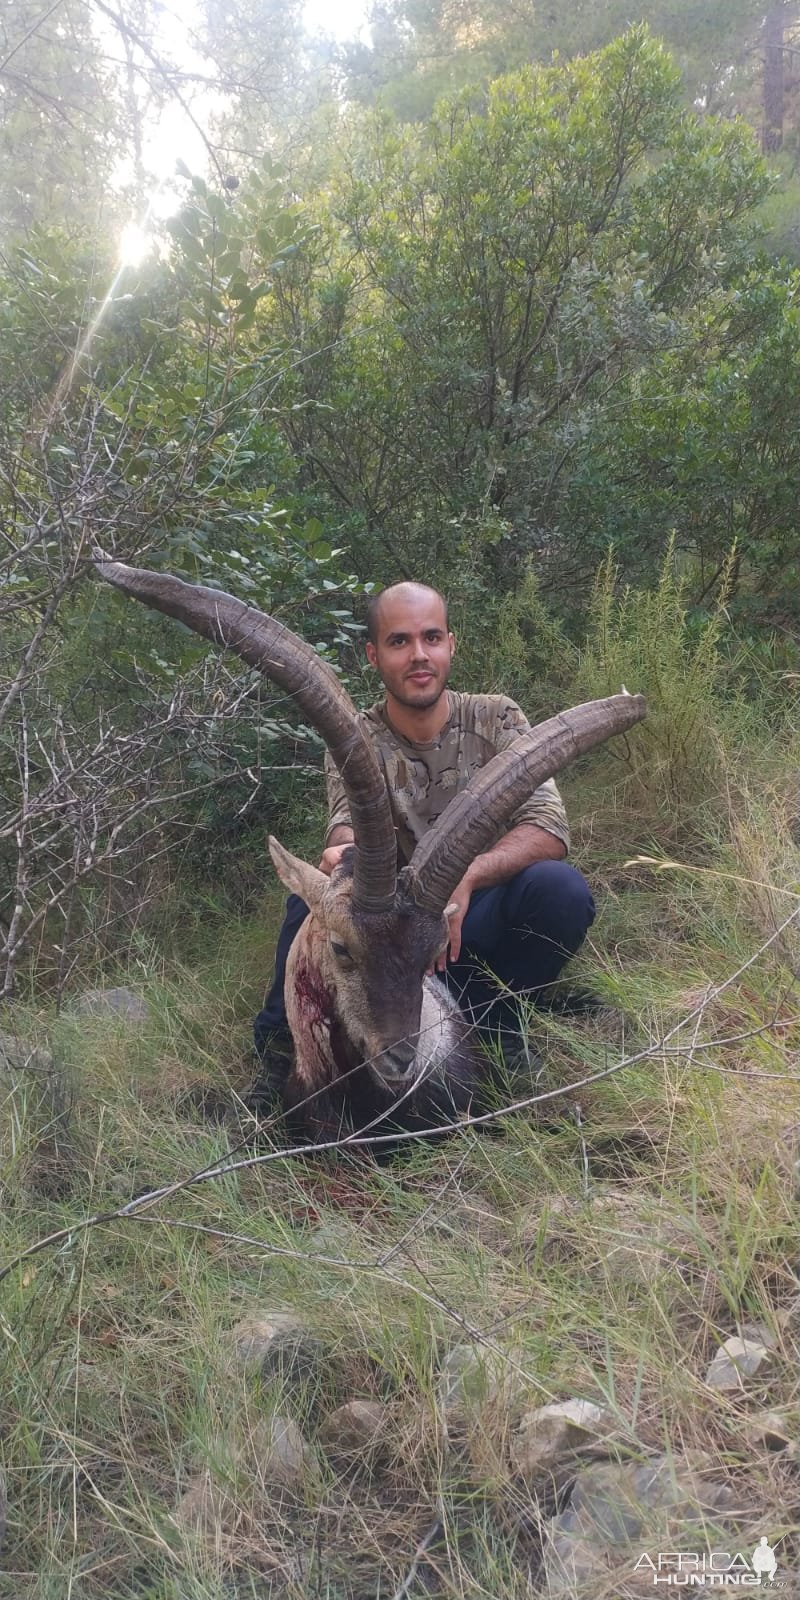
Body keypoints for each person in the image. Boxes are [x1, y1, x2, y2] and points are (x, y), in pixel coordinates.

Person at [250, 581, 595, 1106]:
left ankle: (501, 1025)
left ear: (451, 645)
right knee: (309, 905)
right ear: (373, 654)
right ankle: (278, 1059)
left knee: (559, 890)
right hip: (390, 938)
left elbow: (547, 829)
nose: (418, 655)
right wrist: (342, 860)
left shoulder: (497, 718)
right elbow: (345, 828)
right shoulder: (356, 738)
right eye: (399, 641)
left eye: (431, 638)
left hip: (472, 914)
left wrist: (470, 874)